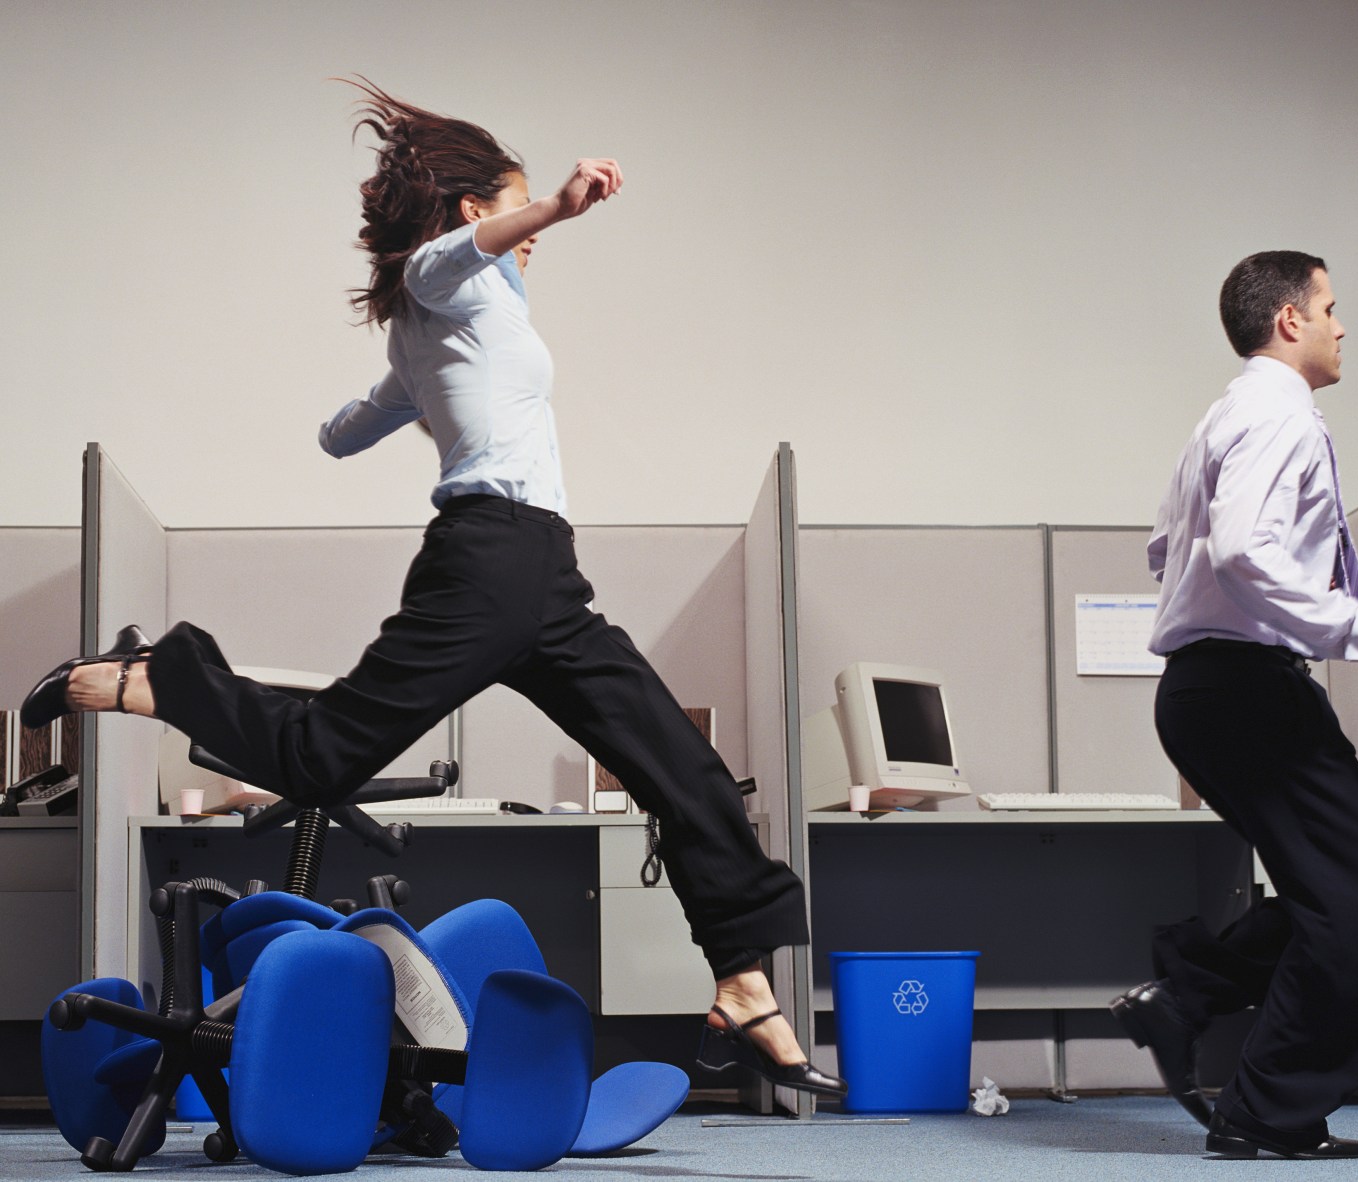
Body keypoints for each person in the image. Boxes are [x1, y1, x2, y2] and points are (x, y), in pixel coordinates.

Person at [22, 80, 844, 1099]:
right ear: (476, 209)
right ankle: (164, 676)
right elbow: (437, 264)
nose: (531, 224)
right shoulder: (450, 280)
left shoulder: (460, 319)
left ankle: (743, 982)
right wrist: (559, 207)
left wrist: (413, 406)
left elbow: (340, 431)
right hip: (488, 562)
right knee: (323, 760)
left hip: (546, 577)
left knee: (682, 768)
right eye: (515, 204)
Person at [1111, 251, 1358, 1159]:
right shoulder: (1277, 415)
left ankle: (1191, 995)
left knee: (1342, 891)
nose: (1341, 325)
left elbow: (1166, 549)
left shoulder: (1225, 415)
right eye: (1329, 307)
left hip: (1216, 687)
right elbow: (1244, 553)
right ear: (1290, 320)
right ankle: (1263, 1111)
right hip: (1247, 686)